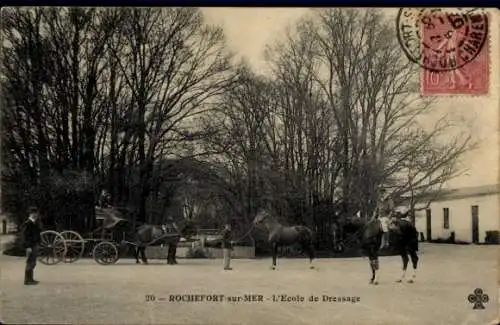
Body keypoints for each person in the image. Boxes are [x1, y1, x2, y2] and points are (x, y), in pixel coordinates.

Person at [22, 206, 42, 285]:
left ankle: (31, 279)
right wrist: (27, 247)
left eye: (36, 213)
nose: (36, 215)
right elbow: (25, 236)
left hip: (35, 244)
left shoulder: (35, 223)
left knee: (33, 262)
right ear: (31, 214)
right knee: (30, 262)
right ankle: (27, 280)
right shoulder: (28, 223)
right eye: (34, 213)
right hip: (31, 246)